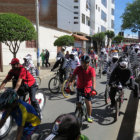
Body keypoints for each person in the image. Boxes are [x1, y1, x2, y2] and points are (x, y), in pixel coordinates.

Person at [68, 55, 96, 123]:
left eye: (85, 63)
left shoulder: (91, 69)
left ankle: (89, 116)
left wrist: (93, 89)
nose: (83, 64)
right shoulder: (78, 68)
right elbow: (73, 76)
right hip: (79, 88)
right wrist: (69, 84)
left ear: (88, 63)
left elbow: (93, 80)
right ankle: (79, 112)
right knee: (78, 103)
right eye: (82, 62)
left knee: (88, 102)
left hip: (88, 88)